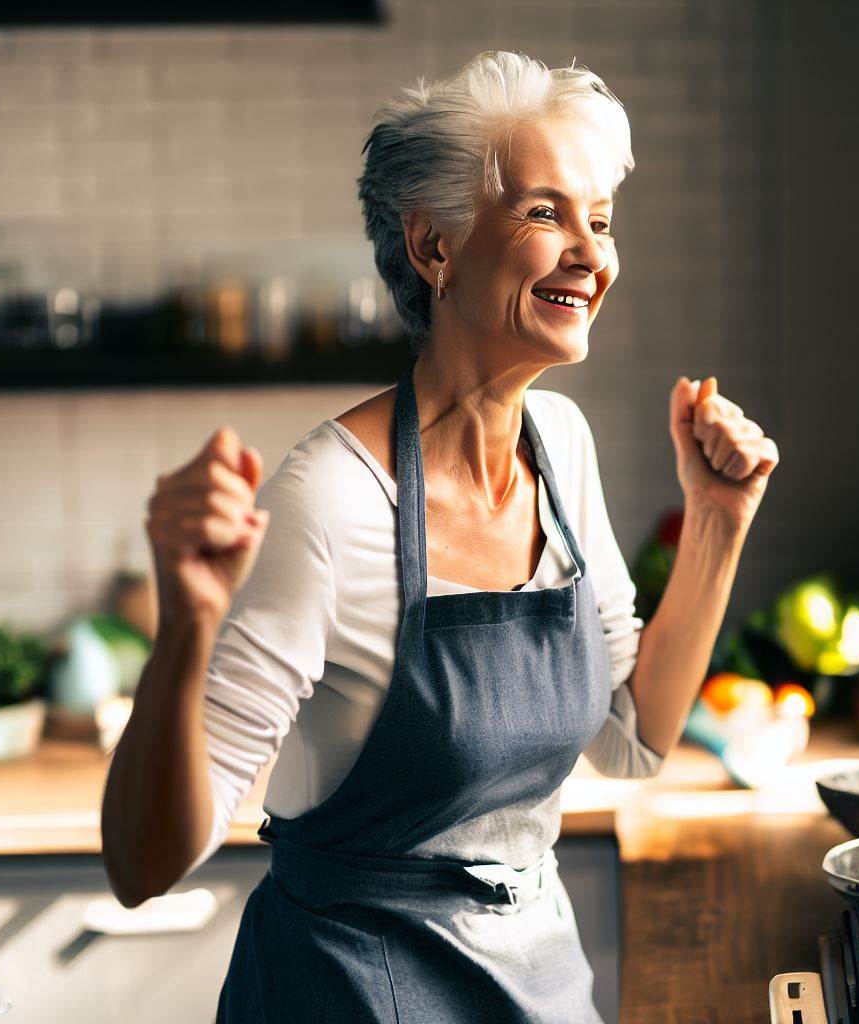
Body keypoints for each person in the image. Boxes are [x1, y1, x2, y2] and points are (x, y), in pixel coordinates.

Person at [101, 49, 779, 1023]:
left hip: (532, 981)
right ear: (434, 248)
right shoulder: (332, 496)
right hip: (345, 993)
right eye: (547, 213)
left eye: (601, 220)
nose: (591, 253)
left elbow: (632, 737)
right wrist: (185, 627)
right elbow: (142, 864)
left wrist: (717, 520)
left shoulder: (562, 448)